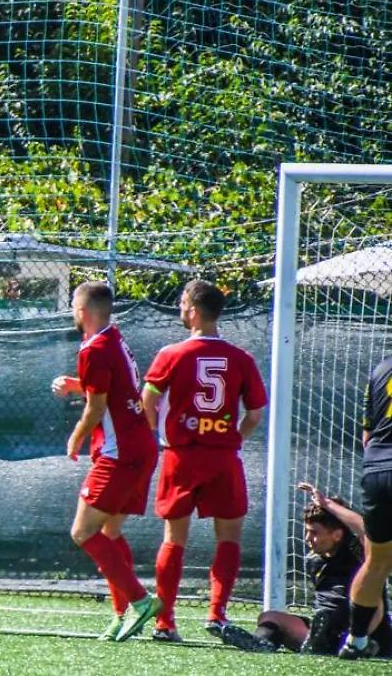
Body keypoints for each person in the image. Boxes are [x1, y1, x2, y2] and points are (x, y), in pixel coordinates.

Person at [141, 279, 268, 642]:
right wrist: (232, 440)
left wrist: (159, 434)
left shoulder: (171, 354)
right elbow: (256, 413)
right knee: (229, 537)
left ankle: (165, 623)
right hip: (223, 458)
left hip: (181, 456)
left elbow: (148, 400)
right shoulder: (241, 358)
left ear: (194, 311)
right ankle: (217, 614)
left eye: (182, 302)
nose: (180, 308)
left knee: (173, 538)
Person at [51, 281, 160, 641]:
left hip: (119, 452)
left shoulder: (94, 348)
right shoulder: (114, 338)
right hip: (140, 445)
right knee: (110, 533)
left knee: (82, 532)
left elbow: (97, 407)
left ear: (82, 312)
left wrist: (76, 436)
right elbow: (111, 389)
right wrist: (77, 384)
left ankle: (141, 601)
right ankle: (121, 612)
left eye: (72, 307)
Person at [220, 482, 391, 656]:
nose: (308, 538)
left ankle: (354, 645)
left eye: (314, 532)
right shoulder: (314, 560)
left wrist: (327, 504)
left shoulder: (359, 553)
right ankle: (262, 643)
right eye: (307, 531)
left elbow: (365, 529)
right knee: (270, 617)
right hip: (324, 631)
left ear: (337, 535)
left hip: (362, 635)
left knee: (373, 599)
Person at [340, 353, 392, 658]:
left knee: (376, 562)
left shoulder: (381, 367)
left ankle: (356, 640)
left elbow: (367, 435)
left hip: (377, 470)